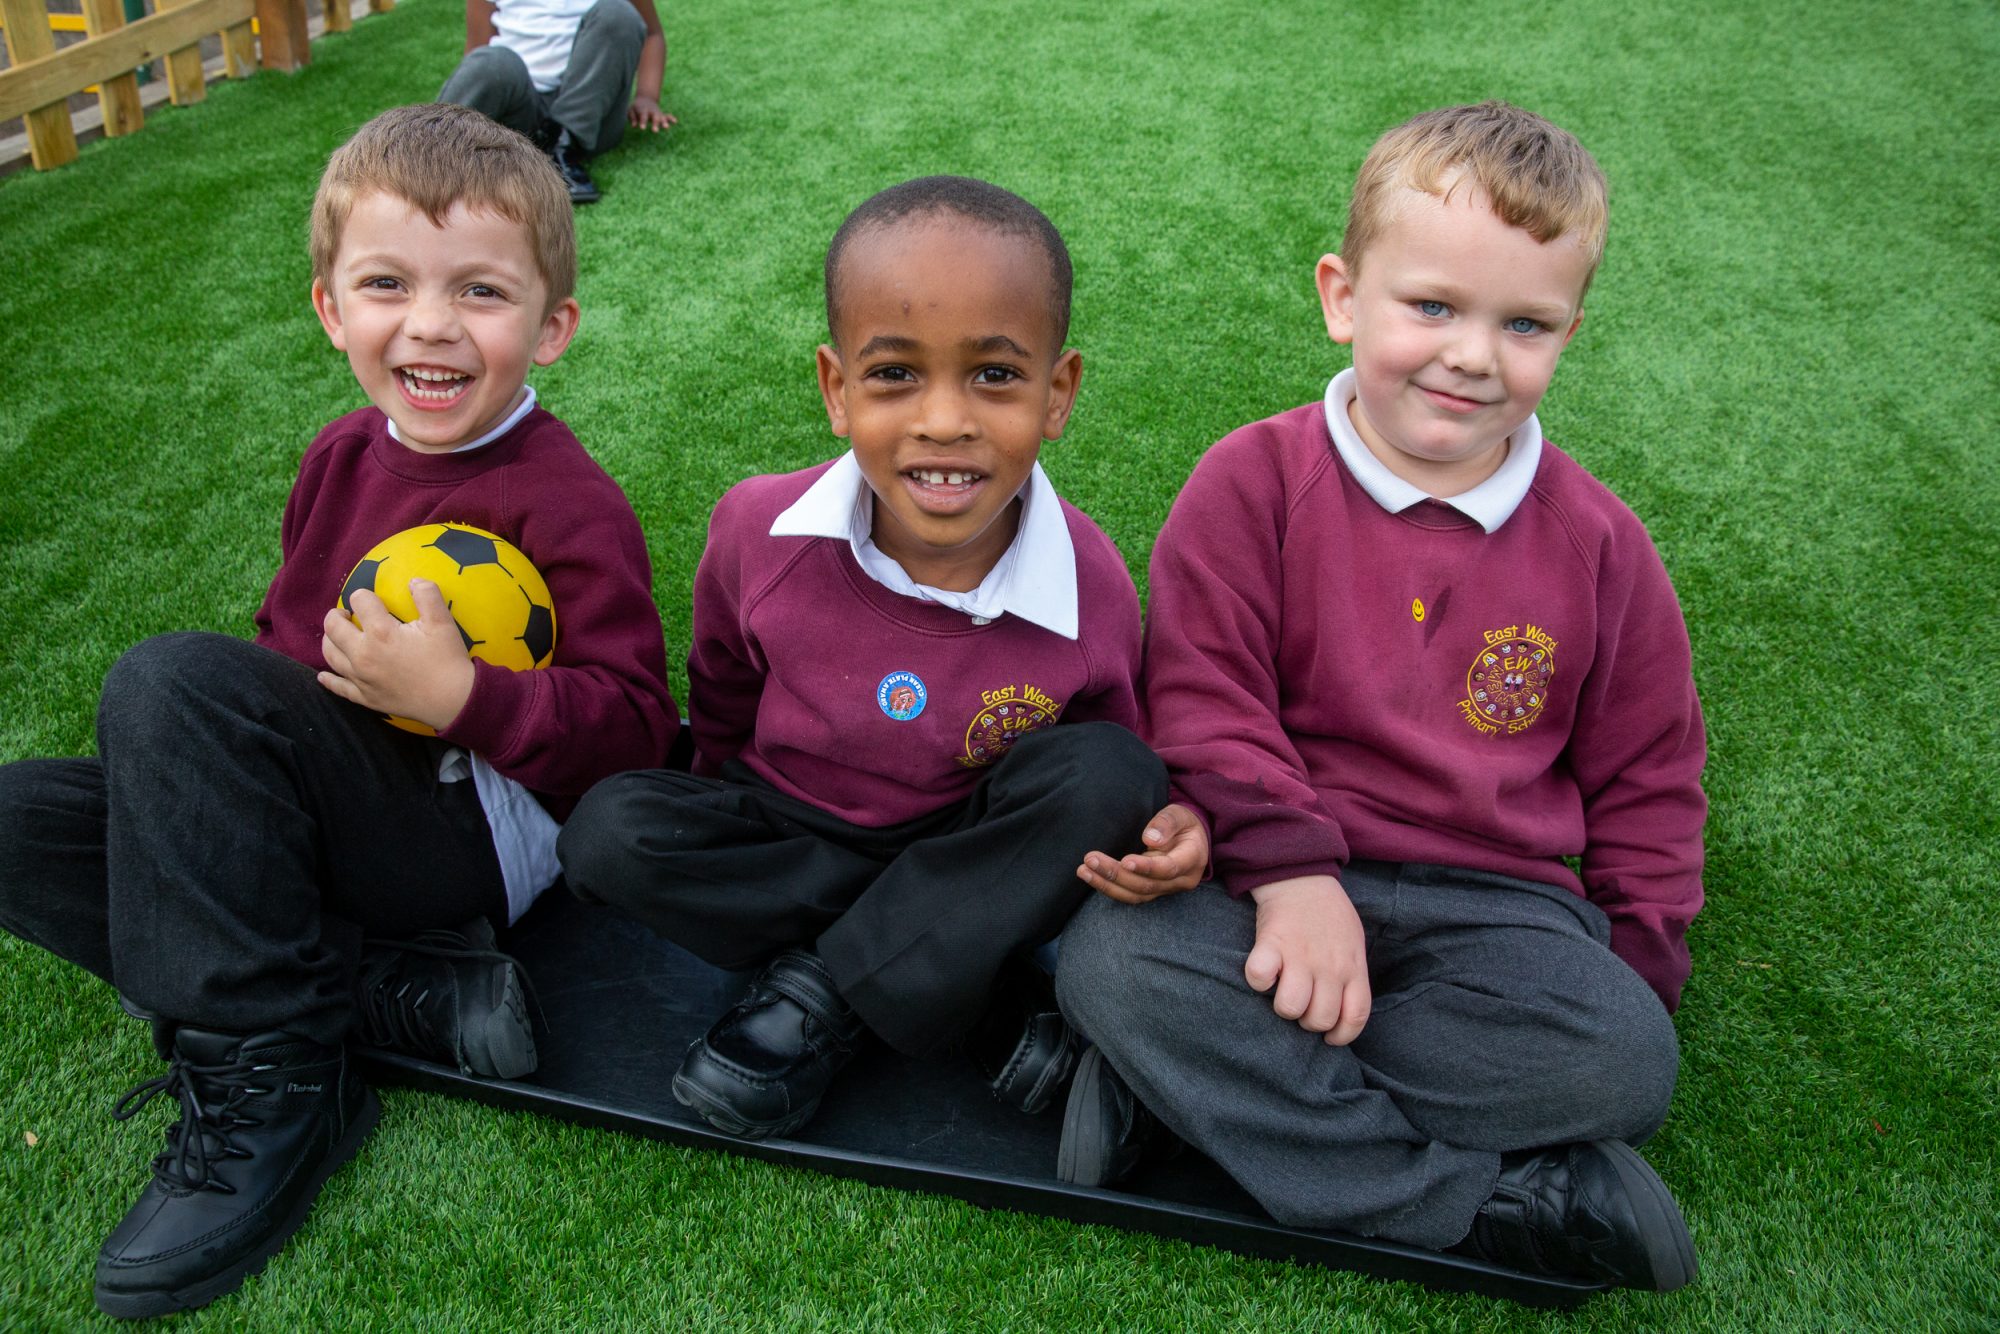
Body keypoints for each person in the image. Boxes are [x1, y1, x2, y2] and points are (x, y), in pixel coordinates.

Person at [0, 103, 679, 1319]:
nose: (429, 323)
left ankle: (276, 1074)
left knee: (167, 683)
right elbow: (282, 653)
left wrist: (465, 696)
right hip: (334, 814)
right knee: (17, 813)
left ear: (550, 325)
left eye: (480, 291)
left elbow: (633, 728)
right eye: (385, 283)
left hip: (464, 830)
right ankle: (383, 992)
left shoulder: (567, 500)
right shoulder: (337, 459)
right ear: (330, 309)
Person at [1053, 102, 1707, 1293]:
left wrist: (1632, 969)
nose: (1470, 354)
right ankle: (1475, 1202)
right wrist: (1295, 873)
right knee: (1112, 961)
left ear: (1567, 330)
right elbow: (1201, 692)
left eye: (1524, 323)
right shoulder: (1247, 482)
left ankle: (1194, 1095)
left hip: (1496, 908)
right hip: (1272, 880)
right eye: (1432, 307)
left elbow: (1649, 772)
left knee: (1621, 1059)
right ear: (1341, 295)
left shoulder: (1601, 543)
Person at [558, 176, 1189, 1142]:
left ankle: (818, 994)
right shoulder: (756, 529)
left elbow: (1099, 763)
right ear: (835, 388)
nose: (944, 421)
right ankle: (958, 991)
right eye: (895, 375)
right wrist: (718, 809)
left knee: (1119, 775)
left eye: (995, 376)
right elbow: (721, 695)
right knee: (612, 832)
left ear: (1056, 393)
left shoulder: (1091, 583)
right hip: (793, 833)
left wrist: (1163, 824)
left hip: (959, 844)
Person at [438, 0, 673, 204]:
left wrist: (647, 96)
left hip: (592, 118)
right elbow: (476, 51)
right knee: (493, 60)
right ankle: (429, 150)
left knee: (618, 13)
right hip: (521, 112)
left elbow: (652, 34)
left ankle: (564, 146)